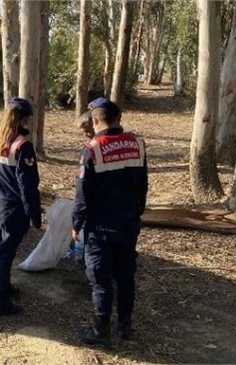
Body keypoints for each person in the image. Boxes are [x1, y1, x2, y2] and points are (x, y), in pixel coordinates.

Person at [72, 97, 148, 345]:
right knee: (126, 276)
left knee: (101, 280)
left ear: (95, 120)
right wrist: (137, 212)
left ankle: (100, 331)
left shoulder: (93, 148)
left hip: (101, 227)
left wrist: (76, 223)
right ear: (117, 119)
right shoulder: (137, 144)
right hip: (128, 223)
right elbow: (142, 185)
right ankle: (125, 326)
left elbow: (83, 192)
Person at [0, 97, 41, 316]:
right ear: (24, 119)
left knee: (2, 249)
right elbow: (28, 186)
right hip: (12, 209)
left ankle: (5, 287)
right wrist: (35, 215)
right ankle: (1, 302)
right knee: (5, 254)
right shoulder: (22, 146)